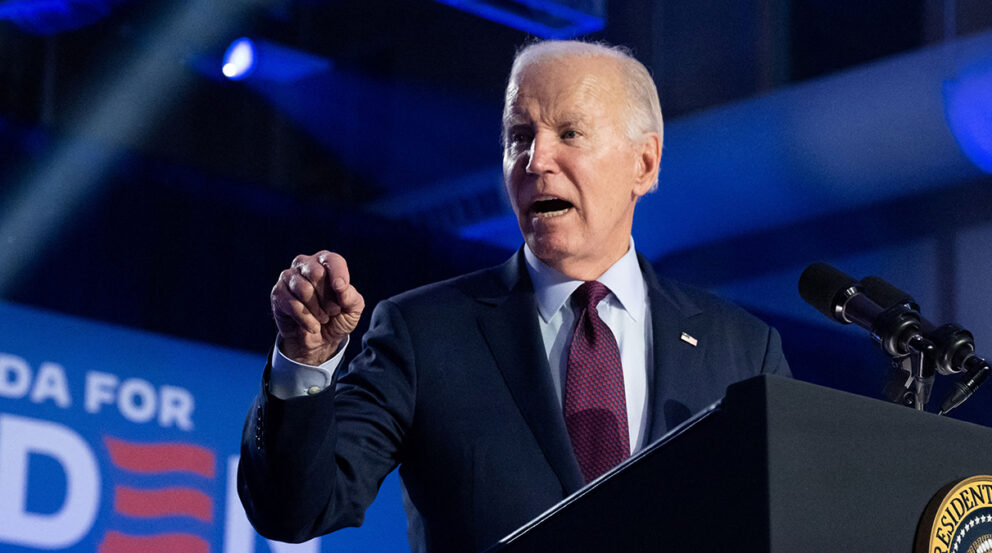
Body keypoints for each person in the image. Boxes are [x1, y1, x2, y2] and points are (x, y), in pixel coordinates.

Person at [238, 40, 790, 553]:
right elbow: (294, 511)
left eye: (569, 134)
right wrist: (304, 365)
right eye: (519, 137)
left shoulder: (742, 349)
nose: (535, 160)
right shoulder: (424, 333)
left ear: (643, 164)